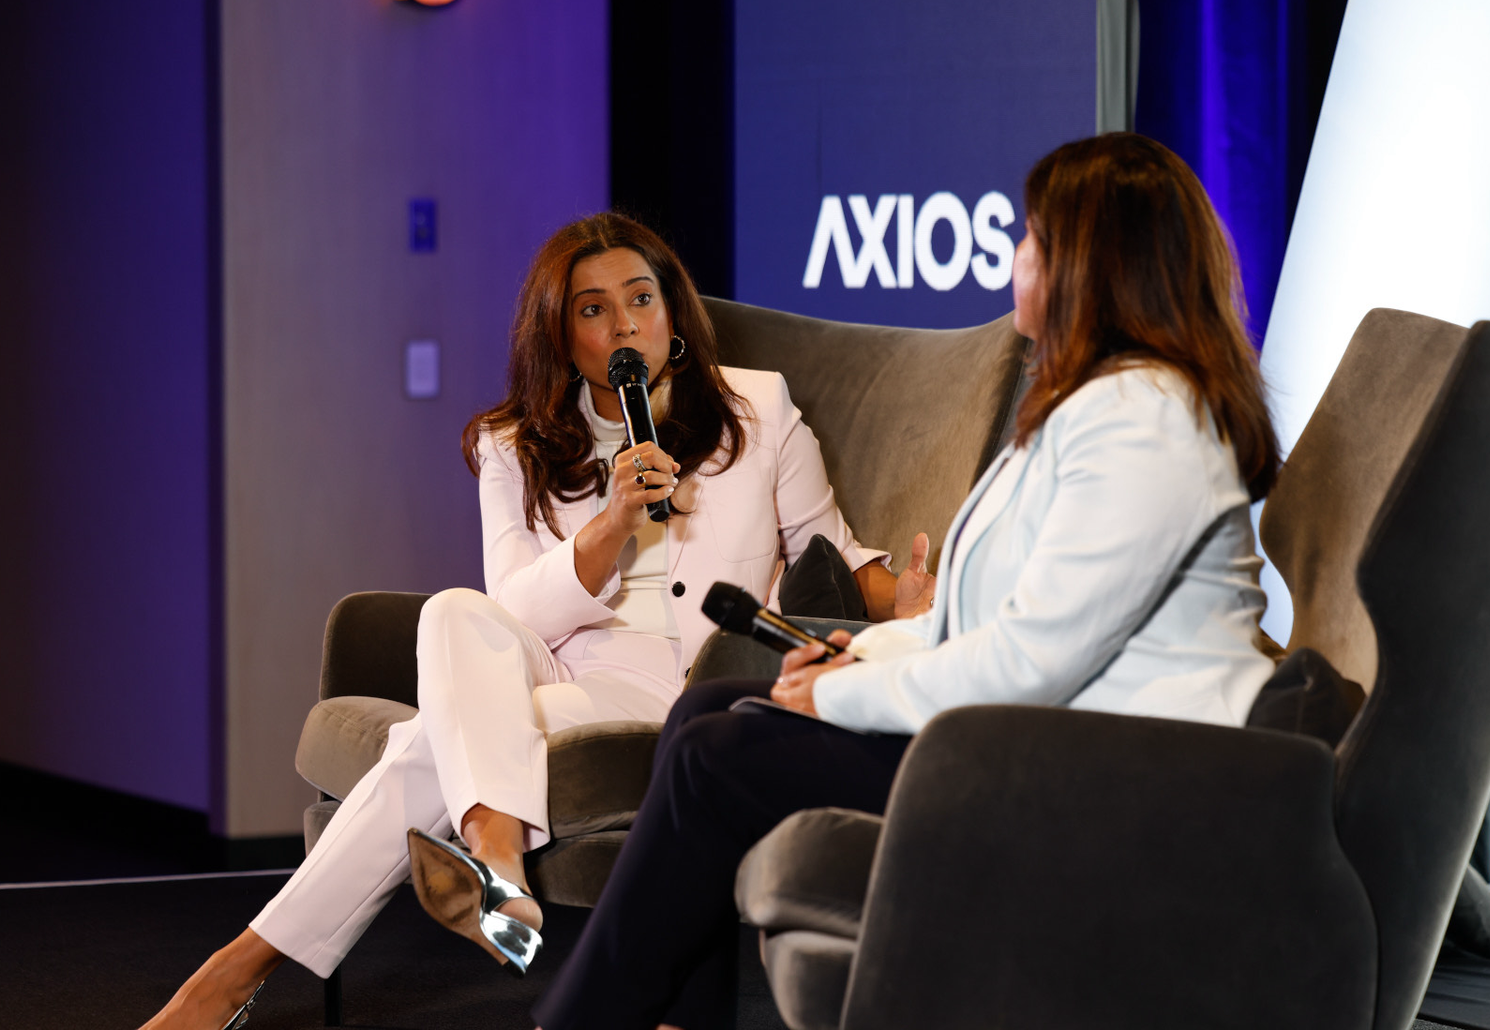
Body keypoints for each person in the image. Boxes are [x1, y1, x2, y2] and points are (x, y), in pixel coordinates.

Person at [528, 132, 1284, 1030]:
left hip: (1096, 767)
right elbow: (986, 621)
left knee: (707, 754)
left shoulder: (1145, 422)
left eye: (1033, 239)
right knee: (703, 713)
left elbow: (1032, 661)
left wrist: (846, 691)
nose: (1016, 258)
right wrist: (850, 647)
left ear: (1091, 264)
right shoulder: (1094, 406)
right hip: (1018, 732)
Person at [138, 213, 932, 1030]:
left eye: (642, 298)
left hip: (701, 680)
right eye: (593, 310)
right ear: (560, 335)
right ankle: (499, 860)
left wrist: (904, 599)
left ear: (673, 312)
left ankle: (241, 970)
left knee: (437, 741)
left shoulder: (756, 407)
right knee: (456, 612)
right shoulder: (510, 442)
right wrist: (612, 523)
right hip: (580, 677)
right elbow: (514, 607)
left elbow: (831, 551)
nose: (625, 324)